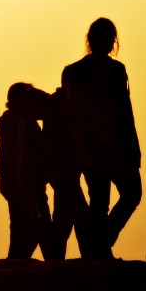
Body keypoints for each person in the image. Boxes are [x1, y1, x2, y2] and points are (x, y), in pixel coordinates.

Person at [61, 17, 142, 260]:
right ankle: (100, 249)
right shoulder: (75, 71)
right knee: (99, 202)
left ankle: (100, 243)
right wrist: (82, 150)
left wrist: (133, 147)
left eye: (110, 37)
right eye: (102, 36)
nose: (107, 42)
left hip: (118, 146)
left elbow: (125, 110)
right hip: (92, 147)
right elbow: (72, 115)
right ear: (91, 39)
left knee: (132, 193)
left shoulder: (118, 70)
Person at [0, 82, 52, 259]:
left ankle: (16, 262)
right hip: (25, 188)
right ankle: (19, 262)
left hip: (17, 186)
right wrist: (25, 188)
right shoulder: (20, 122)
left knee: (23, 227)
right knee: (38, 226)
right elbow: (20, 158)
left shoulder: (10, 122)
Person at [42, 85, 91, 261]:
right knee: (73, 215)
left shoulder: (56, 102)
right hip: (64, 168)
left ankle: (58, 256)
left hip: (63, 168)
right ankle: (88, 254)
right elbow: (73, 133)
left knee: (71, 213)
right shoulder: (62, 103)